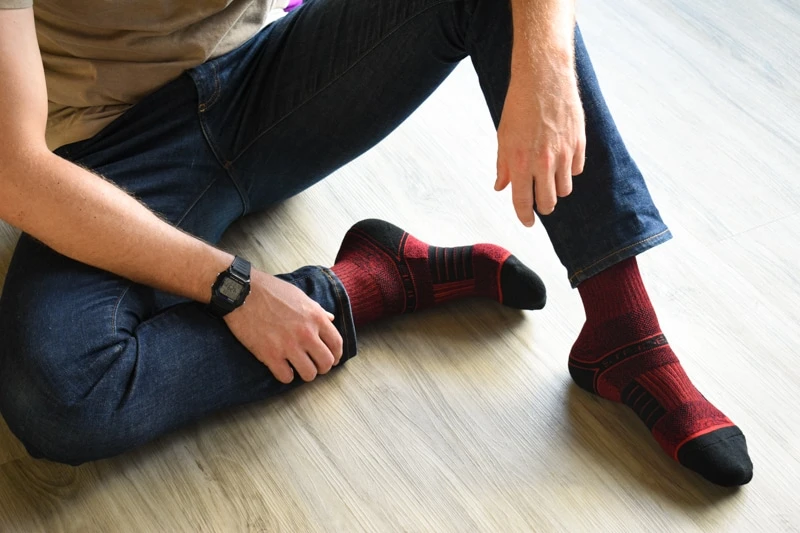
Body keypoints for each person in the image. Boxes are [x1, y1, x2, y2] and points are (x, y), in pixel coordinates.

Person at [0, 0, 752, 486]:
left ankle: (621, 327)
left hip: (260, 79)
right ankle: (376, 279)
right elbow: (17, 170)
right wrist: (232, 284)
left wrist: (547, 64)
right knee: (57, 396)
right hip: (105, 152)